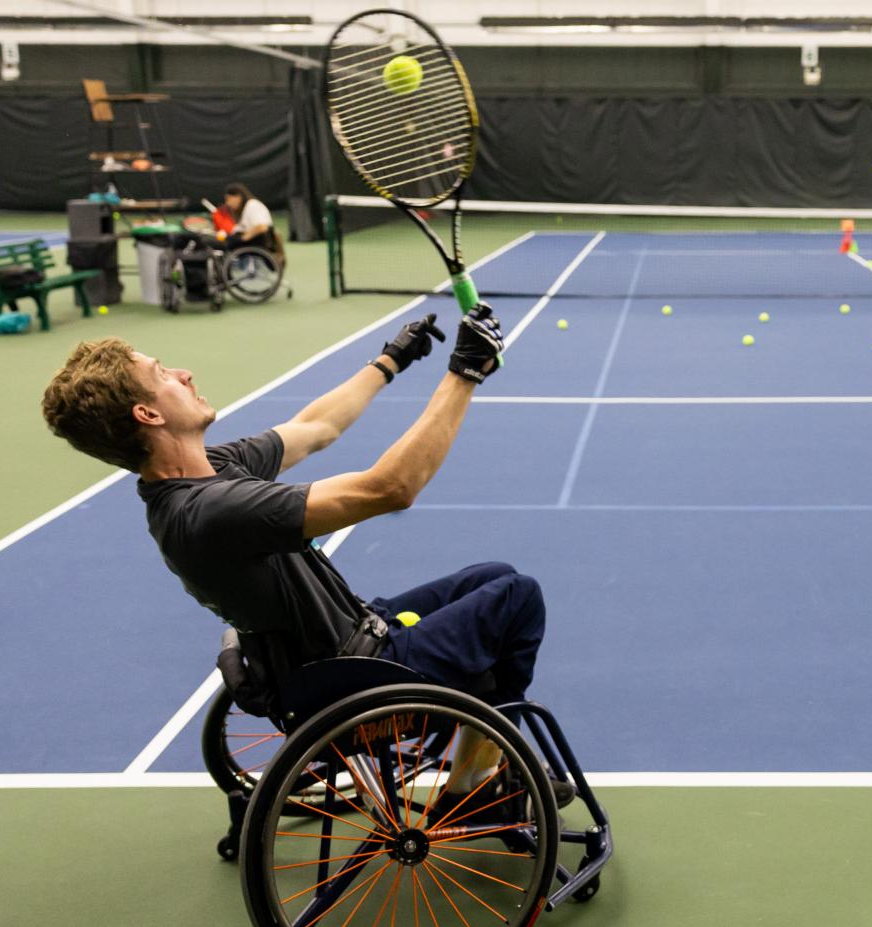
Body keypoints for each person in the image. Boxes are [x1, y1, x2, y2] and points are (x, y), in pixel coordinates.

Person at [41, 304, 569, 806]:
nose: (184, 373)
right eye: (163, 374)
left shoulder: (205, 472)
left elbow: (316, 428)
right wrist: (464, 374)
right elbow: (391, 488)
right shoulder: (214, 511)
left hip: (325, 650)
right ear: (148, 413)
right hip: (356, 675)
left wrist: (390, 361)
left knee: (492, 576)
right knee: (517, 598)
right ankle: (475, 788)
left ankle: (482, 758)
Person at [220, 182, 281, 257]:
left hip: (259, 243)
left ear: (238, 197)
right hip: (252, 242)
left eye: (229, 199)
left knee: (228, 242)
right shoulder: (244, 209)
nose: (228, 203)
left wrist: (244, 238)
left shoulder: (252, 205)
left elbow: (262, 227)